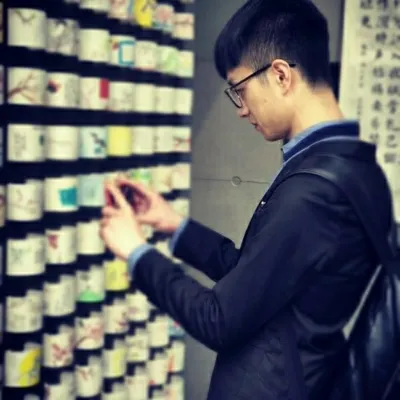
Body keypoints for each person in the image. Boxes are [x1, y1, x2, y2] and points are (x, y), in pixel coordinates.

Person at [100, 0, 393, 399]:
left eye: (240, 90)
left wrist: (137, 253)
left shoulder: (314, 192)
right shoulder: (351, 167)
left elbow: (217, 319)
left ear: (280, 75)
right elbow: (259, 277)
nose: (241, 110)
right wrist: (175, 226)